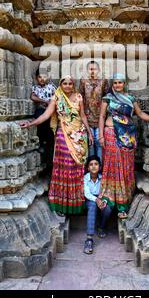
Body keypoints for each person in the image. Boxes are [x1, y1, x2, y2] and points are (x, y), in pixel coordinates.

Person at [21, 76, 94, 216]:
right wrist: (31, 123)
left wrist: (89, 133)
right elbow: (46, 115)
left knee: (76, 168)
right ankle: (62, 204)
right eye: (64, 83)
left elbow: (83, 116)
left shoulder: (78, 97)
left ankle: (76, 203)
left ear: (73, 85)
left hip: (79, 137)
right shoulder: (57, 97)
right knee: (64, 167)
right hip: (63, 136)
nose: (67, 86)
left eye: (70, 83)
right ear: (61, 84)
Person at [99, 73, 149, 219]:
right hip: (110, 134)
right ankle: (108, 198)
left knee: (125, 167)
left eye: (120, 83)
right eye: (115, 83)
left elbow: (139, 114)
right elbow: (102, 116)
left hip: (127, 137)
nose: (117, 85)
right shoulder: (107, 98)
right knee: (112, 165)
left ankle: (123, 203)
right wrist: (101, 135)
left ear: (124, 84)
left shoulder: (130, 98)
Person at [79, 61, 109, 162]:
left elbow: (107, 97)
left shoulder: (103, 81)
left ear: (98, 70)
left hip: (100, 117)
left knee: (99, 142)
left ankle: (100, 168)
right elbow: (80, 97)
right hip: (87, 117)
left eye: (95, 69)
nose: (92, 71)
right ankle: (91, 168)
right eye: (90, 69)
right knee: (90, 143)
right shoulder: (83, 81)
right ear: (87, 70)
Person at [83, 154, 113, 254]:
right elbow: (87, 194)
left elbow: (107, 191)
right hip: (90, 200)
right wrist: (96, 200)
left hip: (101, 199)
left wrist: (103, 201)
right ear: (88, 167)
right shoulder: (85, 178)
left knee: (108, 208)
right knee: (92, 205)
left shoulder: (103, 178)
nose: (93, 166)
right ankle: (89, 239)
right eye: (91, 164)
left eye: (96, 164)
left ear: (99, 167)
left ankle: (101, 226)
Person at [30, 69, 56, 169]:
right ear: (36, 78)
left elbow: (57, 95)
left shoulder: (51, 86)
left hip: (51, 112)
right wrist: (44, 100)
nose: (42, 79)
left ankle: (48, 147)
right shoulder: (35, 88)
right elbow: (32, 97)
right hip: (41, 110)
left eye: (44, 77)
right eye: (40, 77)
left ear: (48, 77)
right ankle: (41, 142)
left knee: (50, 132)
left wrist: (51, 103)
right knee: (39, 115)